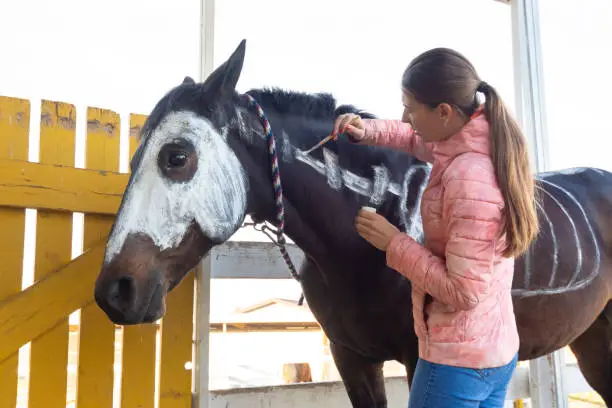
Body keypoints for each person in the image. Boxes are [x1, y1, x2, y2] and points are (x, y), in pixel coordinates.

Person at [333, 48, 539, 407]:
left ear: (443, 112)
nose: (405, 117)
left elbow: (463, 292)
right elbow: (415, 138)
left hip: (456, 365)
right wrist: (367, 130)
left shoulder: (469, 178)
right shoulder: (480, 141)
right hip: (492, 350)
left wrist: (393, 242)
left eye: (411, 107)